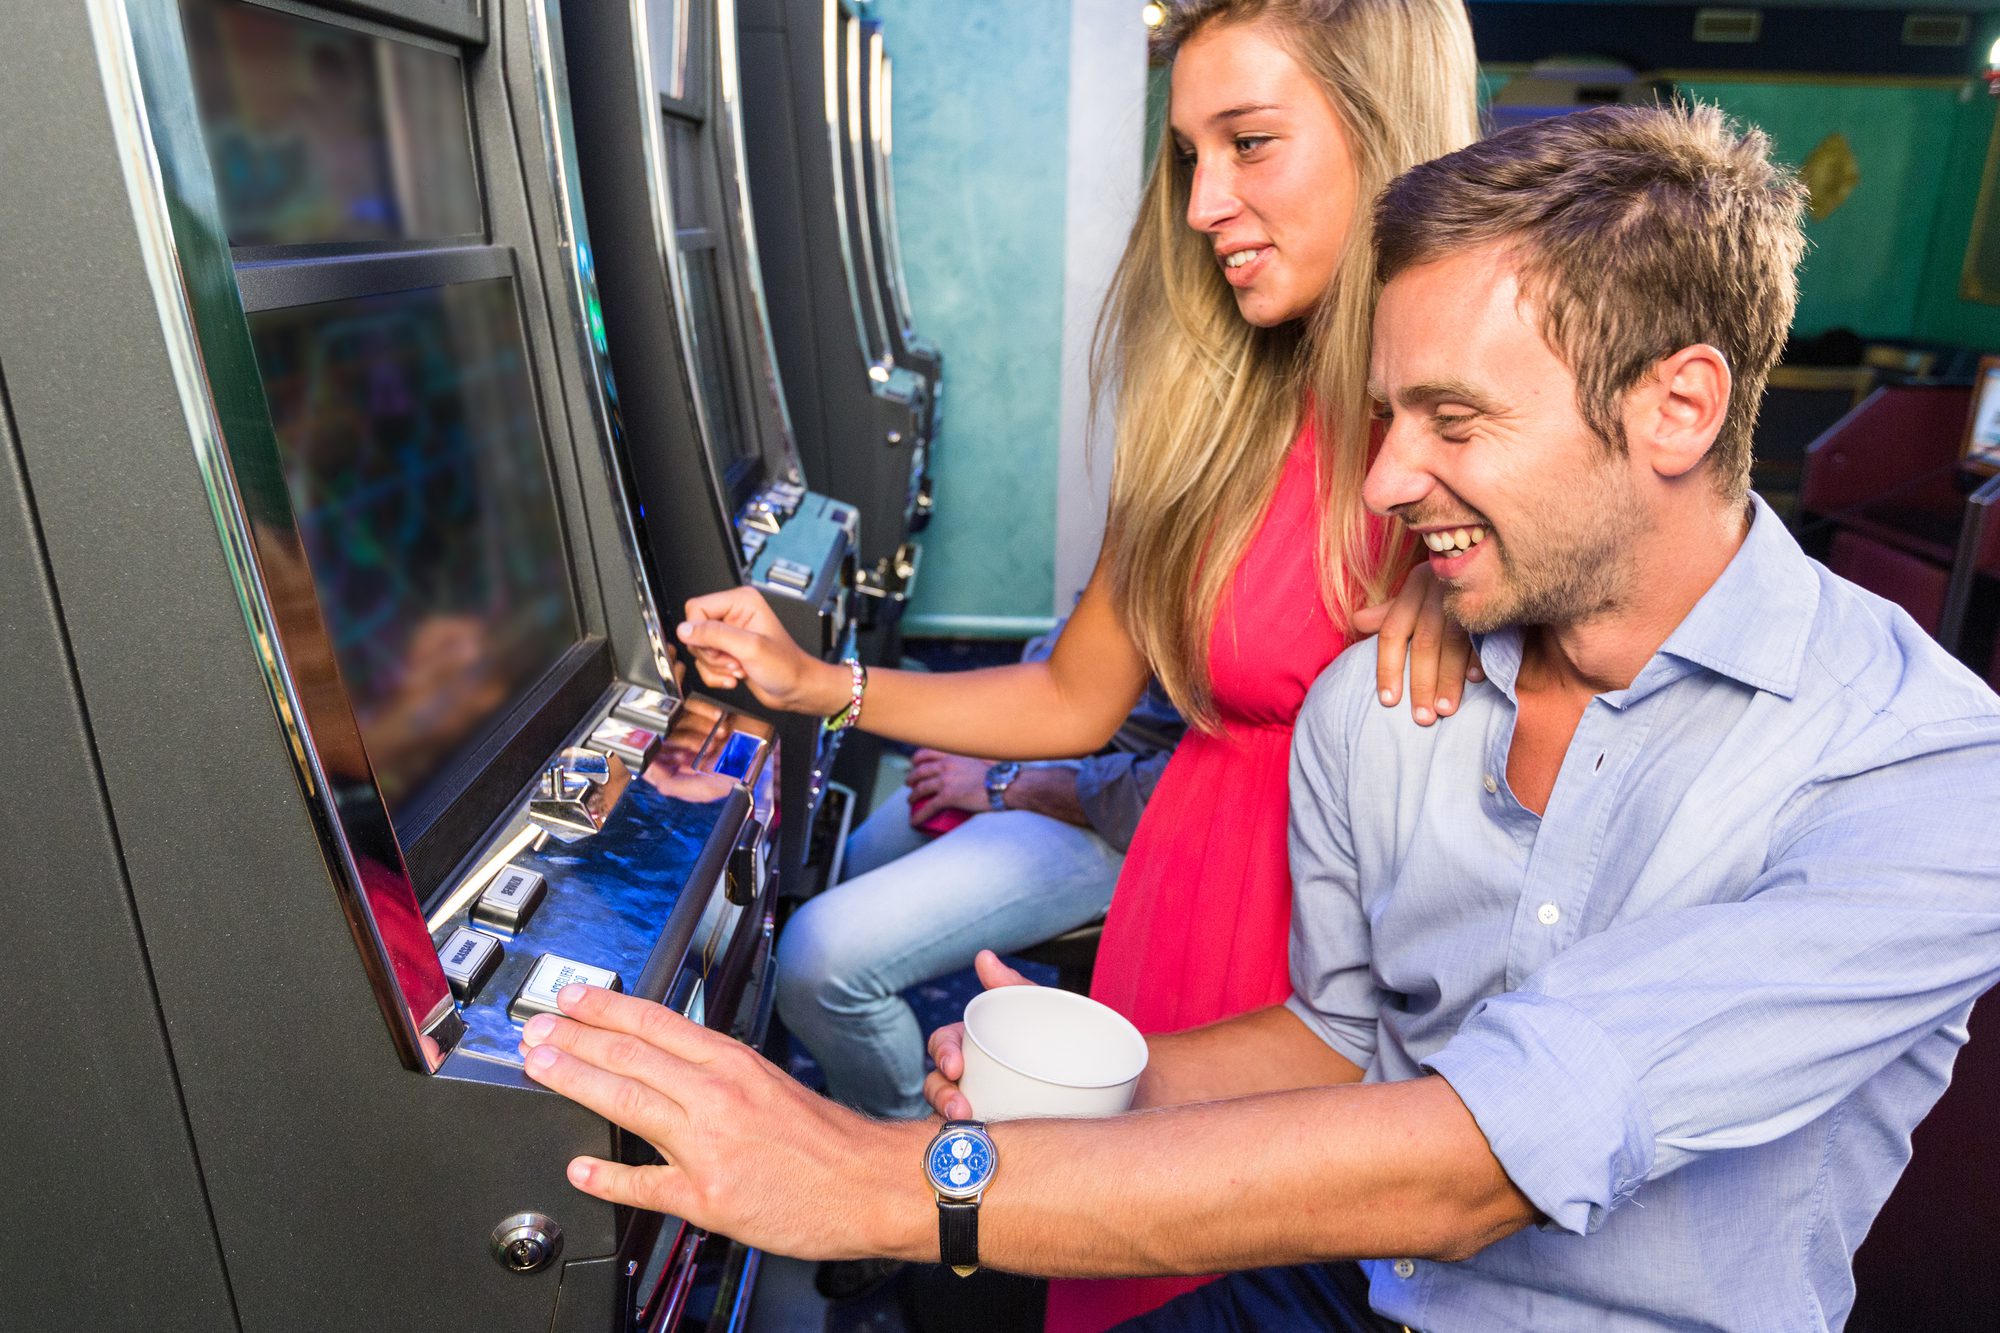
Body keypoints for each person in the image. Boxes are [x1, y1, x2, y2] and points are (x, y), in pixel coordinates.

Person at [517, 103, 2000, 1330]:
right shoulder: (1383, 695)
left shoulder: (1927, 771)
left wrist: (884, 1180)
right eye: (1387, 417)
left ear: (1678, 407)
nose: (1386, 482)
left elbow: (1481, 1162)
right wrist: (1109, 1081)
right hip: (1347, 1289)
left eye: (1454, 420)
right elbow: (1345, 1037)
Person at [677, 7, 1479, 1318]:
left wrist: (1480, 583)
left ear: (1384, 132)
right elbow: (1075, 694)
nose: (1203, 205)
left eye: (1250, 143)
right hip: (1182, 897)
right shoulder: (1218, 413)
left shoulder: (1483, 450)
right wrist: (826, 688)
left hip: (1324, 970)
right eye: (1187, 157)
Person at [778, 623, 1183, 1128]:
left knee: (818, 958)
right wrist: (1006, 731)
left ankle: (903, 1141)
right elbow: (1071, 654)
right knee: (843, 869)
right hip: (1069, 744)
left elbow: (1174, 789)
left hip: (1140, 814)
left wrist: (1010, 782)